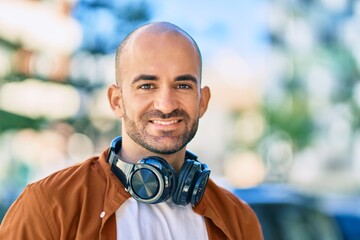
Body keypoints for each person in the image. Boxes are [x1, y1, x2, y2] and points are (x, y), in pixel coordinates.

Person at [0, 22, 263, 240]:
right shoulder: (49, 206)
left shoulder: (237, 219)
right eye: (147, 86)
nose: (166, 104)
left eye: (182, 85)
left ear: (202, 101)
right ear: (116, 100)